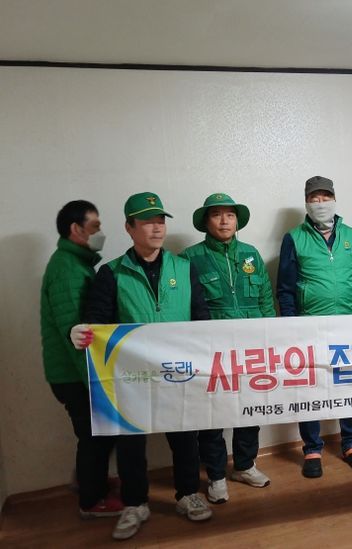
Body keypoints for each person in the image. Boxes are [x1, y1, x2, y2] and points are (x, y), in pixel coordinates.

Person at [70, 192, 213, 540]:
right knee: (130, 443)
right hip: (131, 376)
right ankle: (135, 503)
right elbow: (97, 322)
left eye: (161, 220)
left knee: (185, 436)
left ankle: (188, 494)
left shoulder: (184, 267)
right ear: (129, 227)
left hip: (179, 371)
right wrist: (81, 332)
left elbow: (202, 318)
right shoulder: (112, 273)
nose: (157, 228)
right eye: (148, 222)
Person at [277, 176, 352, 479]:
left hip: (348, 324)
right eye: (314, 199)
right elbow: (285, 288)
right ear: (307, 203)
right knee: (310, 387)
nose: (320, 203)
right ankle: (312, 448)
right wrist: (291, 327)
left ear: (334, 199)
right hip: (309, 327)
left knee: (349, 383)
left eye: (325, 197)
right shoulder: (294, 238)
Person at [181, 193, 274, 504]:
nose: (224, 221)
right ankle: (217, 475)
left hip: (251, 347)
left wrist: (270, 336)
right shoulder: (190, 258)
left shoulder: (251, 254)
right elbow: (186, 306)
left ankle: (245, 465)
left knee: (251, 407)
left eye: (230, 215)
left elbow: (265, 298)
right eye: (217, 214)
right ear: (206, 221)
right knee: (213, 414)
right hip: (212, 349)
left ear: (237, 221)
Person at [40, 200, 121, 518]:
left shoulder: (76, 263)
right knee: (94, 436)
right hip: (73, 373)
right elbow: (75, 333)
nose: (100, 232)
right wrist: (94, 381)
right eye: (95, 226)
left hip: (72, 372)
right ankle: (91, 500)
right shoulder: (67, 269)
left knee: (96, 433)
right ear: (76, 229)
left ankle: (88, 481)